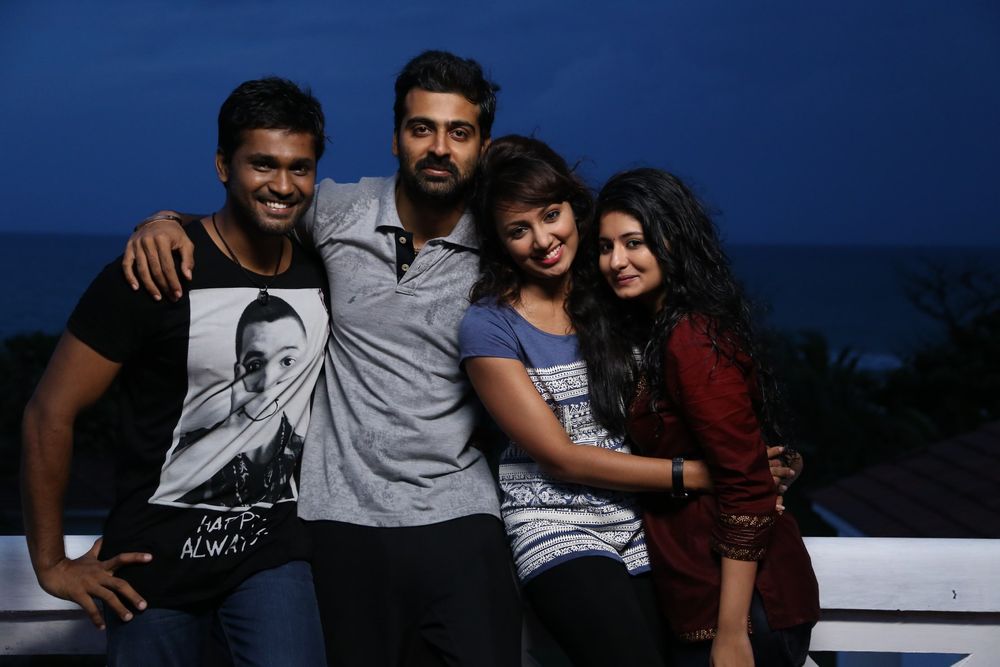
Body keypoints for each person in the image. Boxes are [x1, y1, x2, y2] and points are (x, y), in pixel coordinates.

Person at [119, 51, 521, 667]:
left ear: (482, 146)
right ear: (395, 138)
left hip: (459, 512)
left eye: (459, 132)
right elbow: (252, 213)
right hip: (338, 515)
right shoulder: (338, 210)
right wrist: (165, 221)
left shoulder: (501, 242)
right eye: (422, 128)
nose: (439, 147)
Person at [21, 77, 330, 666]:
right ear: (223, 166)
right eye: (262, 164)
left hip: (270, 556)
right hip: (150, 569)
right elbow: (48, 412)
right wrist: (52, 563)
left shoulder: (322, 270)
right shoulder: (154, 271)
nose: (283, 185)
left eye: (300, 168)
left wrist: (164, 216)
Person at [582, 167, 820, 666]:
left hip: (744, 611)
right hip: (703, 597)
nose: (616, 261)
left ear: (672, 241)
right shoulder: (659, 331)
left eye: (633, 243)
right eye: (605, 247)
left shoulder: (691, 338)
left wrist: (731, 633)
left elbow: (746, 485)